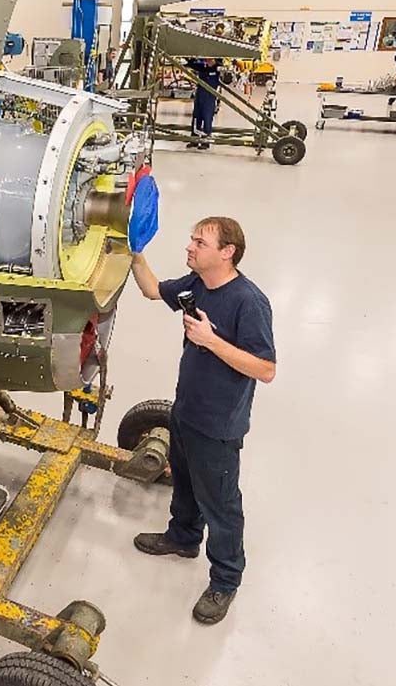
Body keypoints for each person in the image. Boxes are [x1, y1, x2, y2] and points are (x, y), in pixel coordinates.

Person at [128, 217, 276, 625]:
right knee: (185, 483)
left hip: (218, 425)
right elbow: (152, 289)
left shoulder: (248, 302)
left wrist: (212, 341)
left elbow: (265, 369)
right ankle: (183, 537)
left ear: (227, 252)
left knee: (221, 506)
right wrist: (133, 252)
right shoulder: (195, 284)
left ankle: (225, 580)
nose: (190, 247)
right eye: (191, 239)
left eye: (200, 242)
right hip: (185, 410)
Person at [186, 58, 221, 150]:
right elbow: (194, 65)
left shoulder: (217, 68)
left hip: (209, 96)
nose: (208, 61)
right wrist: (188, 61)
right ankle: (194, 139)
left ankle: (205, 141)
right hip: (200, 94)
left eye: (210, 60)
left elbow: (226, 78)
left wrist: (215, 65)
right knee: (196, 117)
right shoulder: (202, 66)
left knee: (207, 118)